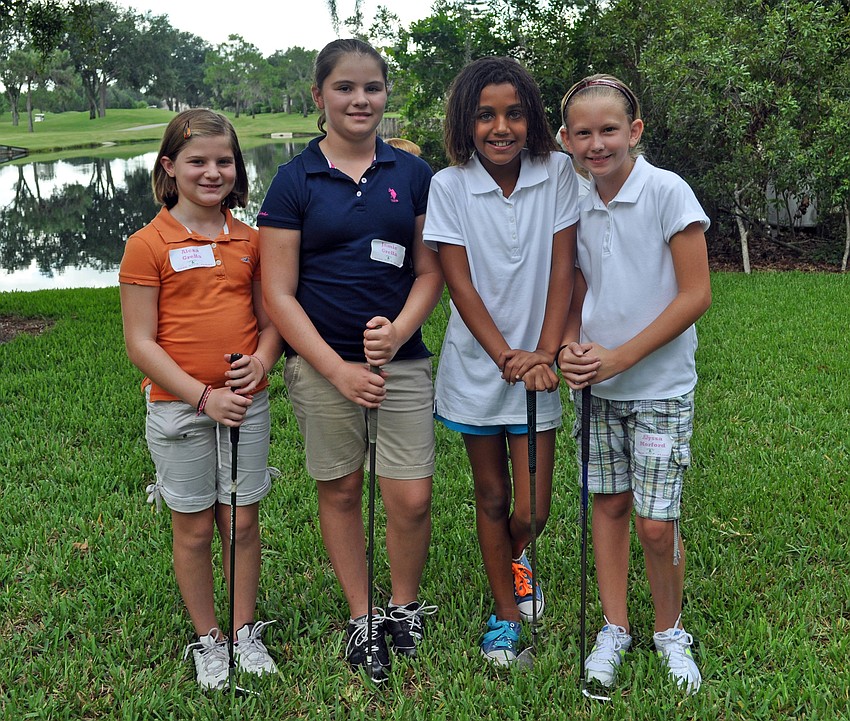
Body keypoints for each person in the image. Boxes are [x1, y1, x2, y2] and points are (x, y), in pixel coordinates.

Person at [257, 39, 443, 682]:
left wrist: (397, 334)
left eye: (372, 87)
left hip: (403, 363)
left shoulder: (412, 175)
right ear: (320, 97)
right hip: (321, 367)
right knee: (340, 488)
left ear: (384, 95)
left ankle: (404, 606)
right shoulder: (293, 178)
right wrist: (335, 368)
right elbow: (276, 292)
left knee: (411, 496)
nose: (360, 99)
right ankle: (364, 617)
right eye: (345, 88)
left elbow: (428, 272)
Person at [119, 109, 283, 690]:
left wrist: (262, 362)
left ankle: (243, 630)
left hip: (247, 404)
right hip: (179, 408)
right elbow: (140, 342)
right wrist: (202, 396)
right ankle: (209, 639)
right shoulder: (148, 244)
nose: (212, 172)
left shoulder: (252, 241)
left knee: (240, 521)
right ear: (169, 167)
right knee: (193, 527)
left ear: (237, 169)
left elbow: (272, 321)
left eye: (224, 161)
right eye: (197, 161)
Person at [422, 56, 579, 666]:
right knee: (491, 495)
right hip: (477, 366)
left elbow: (564, 267)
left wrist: (542, 353)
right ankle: (505, 615)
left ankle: (517, 555)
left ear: (532, 118)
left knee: (531, 506)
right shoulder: (449, 185)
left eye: (514, 113)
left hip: (539, 366)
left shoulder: (557, 171)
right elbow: (457, 281)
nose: (501, 127)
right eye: (485, 115)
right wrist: (506, 357)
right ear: (466, 120)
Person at [558, 74, 712, 694]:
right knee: (609, 504)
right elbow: (580, 288)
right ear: (567, 140)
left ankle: (670, 630)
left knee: (655, 521)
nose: (598, 144)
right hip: (597, 390)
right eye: (584, 133)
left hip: (660, 388)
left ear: (635, 132)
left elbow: (696, 294)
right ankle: (614, 627)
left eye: (610, 130)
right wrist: (571, 341)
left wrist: (620, 357)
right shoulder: (577, 198)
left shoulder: (666, 191)